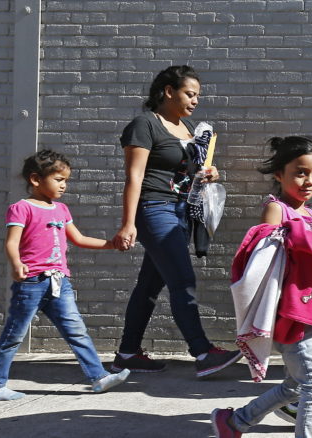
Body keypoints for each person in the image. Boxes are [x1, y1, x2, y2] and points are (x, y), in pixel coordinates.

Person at [211, 136, 312, 438]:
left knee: (294, 386)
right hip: (289, 317)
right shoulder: (277, 210)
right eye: (300, 172)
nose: (309, 181)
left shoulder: (311, 215)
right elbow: (264, 260)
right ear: (279, 175)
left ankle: (235, 423)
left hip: (309, 312)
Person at [111, 65, 241, 377]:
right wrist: (128, 223)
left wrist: (211, 173)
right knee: (182, 280)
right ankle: (202, 351)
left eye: (197, 95)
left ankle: (127, 353)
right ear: (169, 91)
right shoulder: (145, 125)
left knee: (149, 286)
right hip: (154, 208)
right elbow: (134, 176)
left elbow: (192, 171)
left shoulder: (187, 128)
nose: (195, 101)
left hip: (181, 211)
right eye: (189, 94)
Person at [0, 150, 131, 401]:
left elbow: (79, 239)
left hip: (59, 281)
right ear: (36, 179)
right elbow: (11, 242)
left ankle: (99, 377)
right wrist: (16, 263)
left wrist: (111, 244)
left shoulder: (61, 209)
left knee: (76, 330)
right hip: (31, 282)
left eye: (66, 180)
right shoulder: (21, 208)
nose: (63, 185)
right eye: (58, 179)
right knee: (14, 334)